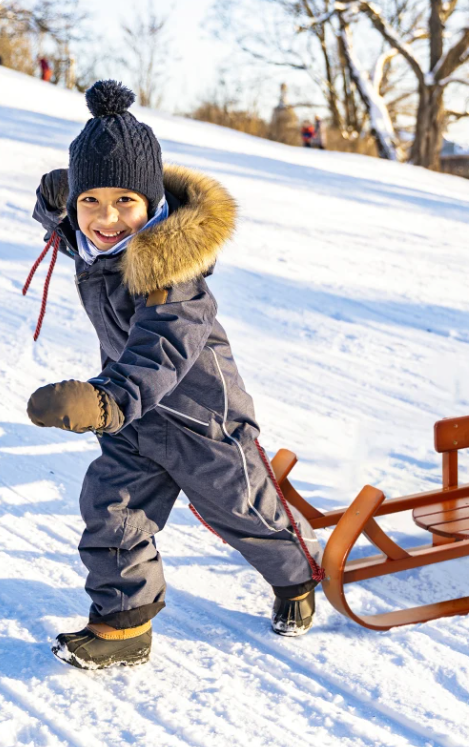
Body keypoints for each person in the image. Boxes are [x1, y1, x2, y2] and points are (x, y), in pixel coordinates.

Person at [24, 81, 323, 670]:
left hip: (201, 421)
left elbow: (160, 351)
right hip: (138, 424)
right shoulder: (98, 244)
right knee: (110, 508)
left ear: (154, 203)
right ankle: (123, 627)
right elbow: (70, 233)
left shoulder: (172, 277)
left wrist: (106, 403)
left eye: (125, 202)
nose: (106, 219)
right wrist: (53, 204)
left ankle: (296, 579)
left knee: (248, 517)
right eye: (91, 201)